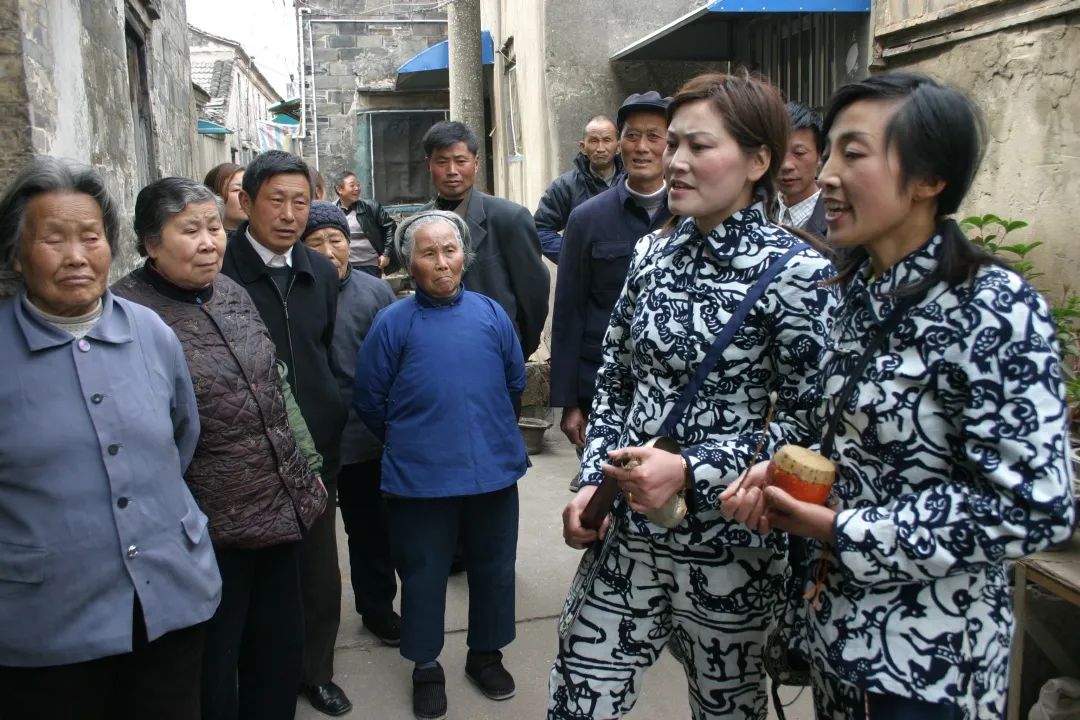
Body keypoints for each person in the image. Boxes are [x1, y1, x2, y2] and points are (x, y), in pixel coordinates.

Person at [719, 72, 1076, 720]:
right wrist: (772, 469)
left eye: (852, 153)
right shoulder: (855, 292)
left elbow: (1036, 505)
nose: (825, 174)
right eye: (827, 152)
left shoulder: (991, 308)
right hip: (836, 640)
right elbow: (835, 434)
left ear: (929, 180)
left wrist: (841, 527)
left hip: (927, 669)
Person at [549, 72, 836, 720]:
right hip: (625, 535)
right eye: (671, 143)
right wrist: (590, 483)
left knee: (726, 709)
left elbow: (809, 424)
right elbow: (617, 375)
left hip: (730, 552)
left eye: (697, 146)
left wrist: (693, 469)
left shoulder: (800, 274)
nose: (674, 160)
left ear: (759, 160)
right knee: (577, 697)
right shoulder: (652, 254)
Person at [0, 158, 221, 720]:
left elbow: (180, 437)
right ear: (17, 253)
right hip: (47, 625)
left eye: (91, 237)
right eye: (53, 239)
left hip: (168, 602)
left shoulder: (149, 331)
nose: (76, 256)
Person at [112, 177, 329, 720]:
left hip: (279, 509)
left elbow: (274, 386)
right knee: (214, 666)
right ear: (149, 242)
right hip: (207, 527)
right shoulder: (125, 315)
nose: (209, 241)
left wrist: (307, 468)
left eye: (214, 226)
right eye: (190, 230)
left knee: (277, 653)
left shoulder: (230, 292)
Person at [354, 210, 527, 720]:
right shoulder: (393, 322)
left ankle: (485, 655)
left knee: (494, 569)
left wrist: (488, 431)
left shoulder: (491, 313)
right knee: (423, 573)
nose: (441, 262)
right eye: (428, 253)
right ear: (410, 263)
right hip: (420, 478)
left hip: (493, 471)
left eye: (449, 250)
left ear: (464, 255)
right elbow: (369, 398)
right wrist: (412, 440)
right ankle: (426, 664)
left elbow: (514, 383)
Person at [219, 150, 351, 717]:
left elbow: (322, 347)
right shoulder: (220, 269)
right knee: (257, 574)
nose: (290, 214)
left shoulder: (319, 270)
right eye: (277, 199)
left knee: (318, 571)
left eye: (302, 201)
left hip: (315, 446)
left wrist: (332, 408)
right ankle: (258, 673)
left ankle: (315, 671)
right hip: (246, 451)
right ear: (247, 202)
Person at [550, 92, 672, 492]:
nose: (642, 147)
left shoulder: (694, 215)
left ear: (671, 144)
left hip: (672, 394)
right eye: (632, 136)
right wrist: (570, 402)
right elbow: (568, 312)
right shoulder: (587, 219)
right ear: (620, 144)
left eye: (654, 136)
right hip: (602, 392)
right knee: (602, 500)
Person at [300, 200, 401, 647]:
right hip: (310, 443)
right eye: (315, 242)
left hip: (364, 436)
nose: (327, 250)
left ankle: (377, 608)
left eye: (335, 239)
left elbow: (392, 363)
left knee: (371, 531)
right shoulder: (296, 291)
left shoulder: (374, 291)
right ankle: (309, 629)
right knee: (313, 543)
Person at [420, 120, 550, 359]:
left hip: (495, 353)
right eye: (441, 161)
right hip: (436, 354)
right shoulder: (420, 224)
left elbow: (534, 296)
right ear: (429, 165)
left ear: (476, 163)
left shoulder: (509, 218)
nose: (452, 171)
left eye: (460, 161)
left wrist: (517, 349)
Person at [534, 114, 623, 262]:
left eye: (607, 140)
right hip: (583, 278)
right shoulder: (565, 186)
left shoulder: (632, 182)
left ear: (618, 147)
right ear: (583, 147)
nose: (600, 148)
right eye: (594, 141)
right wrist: (573, 257)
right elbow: (540, 229)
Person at [776, 102, 826, 239]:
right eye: (778, 152)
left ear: (820, 155)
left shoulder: (836, 220)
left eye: (799, 153)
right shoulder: (757, 210)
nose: (786, 165)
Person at [333, 170, 398, 277]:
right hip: (345, 266)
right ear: (339, 189)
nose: (357, 188)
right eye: (352, 185)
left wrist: (386, 254)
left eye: (358, 185)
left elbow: (390, 227)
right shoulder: (332, 211)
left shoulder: (371, 207)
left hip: (370, 265)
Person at [203, 162, 247, 233]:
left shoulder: (264, 238)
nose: (246, 196)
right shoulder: (206, 241)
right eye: (236, 190)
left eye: (249, 188)